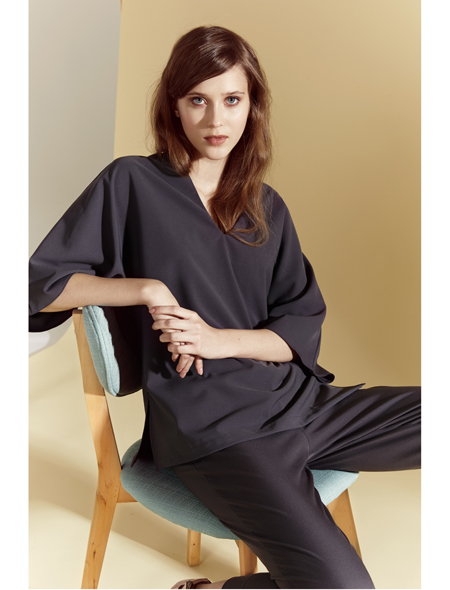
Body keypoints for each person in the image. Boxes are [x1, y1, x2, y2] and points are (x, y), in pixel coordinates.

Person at [29, 25, 420, 589]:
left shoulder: (266, 206)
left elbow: (297, 326)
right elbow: (39, 285)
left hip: (302, 405)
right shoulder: (131, 183)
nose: (216, 120)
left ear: (251, 105)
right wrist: (146, 288)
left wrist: (216, 340)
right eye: (198, 100)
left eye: (232, 99)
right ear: (174, 105)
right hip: (215, 429)